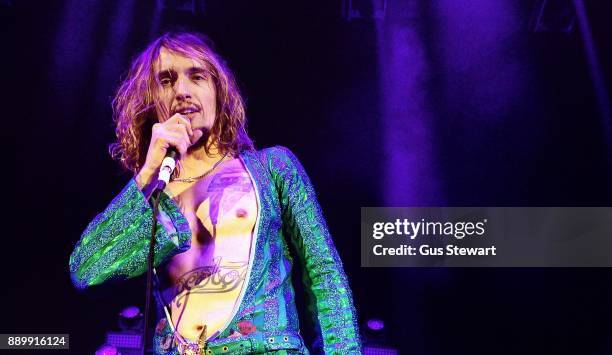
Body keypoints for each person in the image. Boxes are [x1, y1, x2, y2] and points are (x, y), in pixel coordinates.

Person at [69, 32, 361, 354]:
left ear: (218, 90)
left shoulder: (272, 168)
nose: (181, 91)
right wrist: (147, 173)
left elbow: (325, 276)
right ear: (151, 99)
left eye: (196, 76)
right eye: (166, 81)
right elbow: (86, 270)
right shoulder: (152, 196)